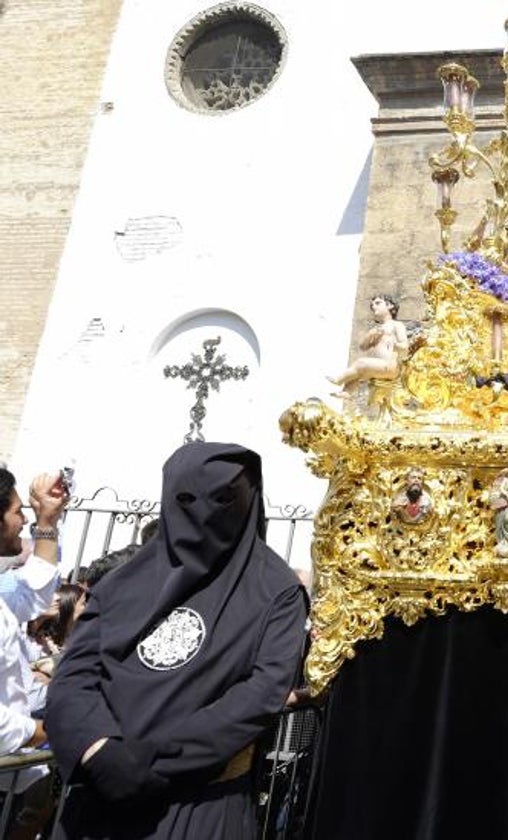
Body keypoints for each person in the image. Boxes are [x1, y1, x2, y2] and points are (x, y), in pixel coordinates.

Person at [45, 442, 310, 839]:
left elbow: (260, 693)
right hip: (100, 796)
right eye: (187, 498)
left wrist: (151, 761)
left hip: (200, 806)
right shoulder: (122, 583)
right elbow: (75, 675)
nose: (205, 511)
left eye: (223, 499)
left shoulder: (275, 589)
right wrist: (99, 751)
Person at [0, 466, 68, 837]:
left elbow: (32, 594)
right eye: (15, 511)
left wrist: (48, 521)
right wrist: (43, 733)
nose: (22, 519)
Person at [328, 294, 409, 396]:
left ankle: (339, 379)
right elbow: (363, 347)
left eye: (378, 303)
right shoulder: (375, 329)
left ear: (389, 305)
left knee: (361, 363)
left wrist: (395, 344)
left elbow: (405, 346)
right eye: (372, 305)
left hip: (390, 365)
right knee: (358, 373)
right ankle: (347, 392)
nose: (373, 306)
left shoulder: (396, 325)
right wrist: (369, 335)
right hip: (378, 364)